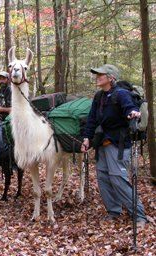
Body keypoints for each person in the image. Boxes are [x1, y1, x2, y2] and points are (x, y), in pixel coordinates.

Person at [81, 64, 147, 227]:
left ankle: (139, 215)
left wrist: (133, 113)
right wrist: (86, 138)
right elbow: (92, 119)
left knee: (118, 179)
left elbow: (129, 107)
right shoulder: (98, 96)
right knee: (103, 178)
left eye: (101, 74)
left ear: (111, 77)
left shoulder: (122, 94)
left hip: (118, 144)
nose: (98, 77)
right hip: (101, 143)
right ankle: (113, 211)